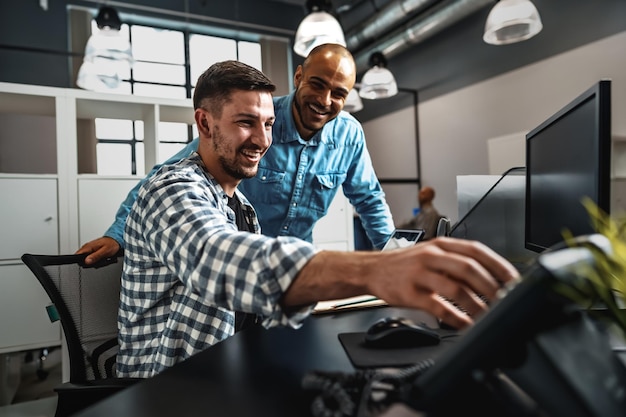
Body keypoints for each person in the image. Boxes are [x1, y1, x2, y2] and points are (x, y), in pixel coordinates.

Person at [116, 60, 518, 378]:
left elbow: (369, 199)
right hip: (164, 385)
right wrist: (377, 269)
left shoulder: (238, 203)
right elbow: (218, 260)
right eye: (245, 123)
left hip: (224, 361)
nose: (261, 140)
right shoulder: (173, 190)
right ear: (204, 123)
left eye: (268, 124)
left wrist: (372, 273)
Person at [77, 43, 394, 265]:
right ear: (298, 77)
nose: (325, 100)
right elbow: (169, 173)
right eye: (317, 84)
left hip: (295, 265)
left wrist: (395, 256)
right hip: (239, 260)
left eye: (338, 93)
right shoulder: (256, 119)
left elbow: (370, 201)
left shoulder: (349, 135)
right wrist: (118, 234)